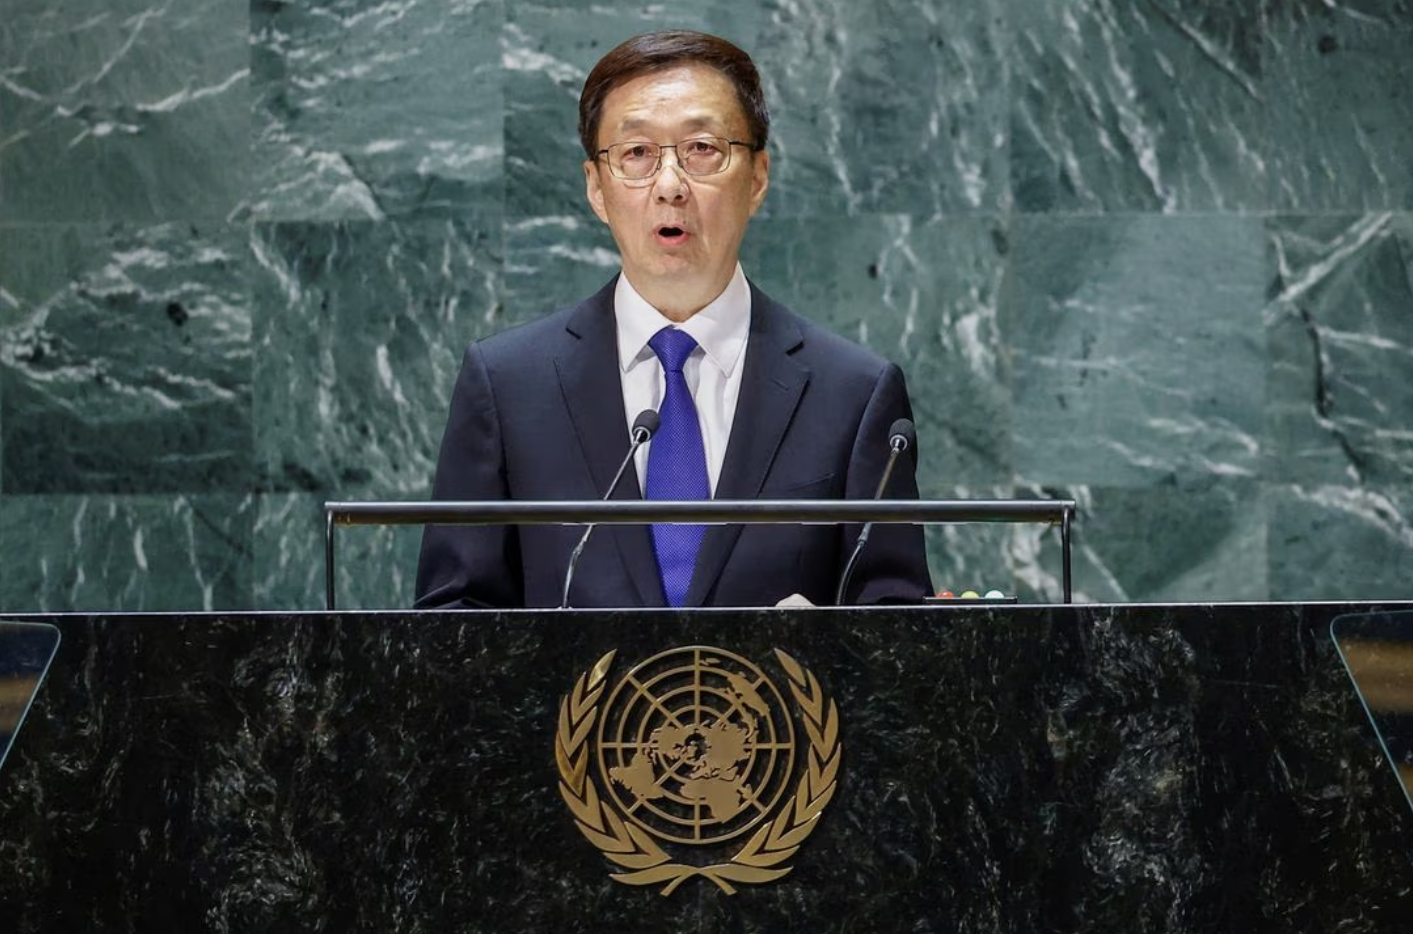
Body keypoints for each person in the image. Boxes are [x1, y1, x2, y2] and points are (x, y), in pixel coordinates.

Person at [415, 30, 931, 609]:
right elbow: (453, 629)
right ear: (596, 188)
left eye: (702, 149)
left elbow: (896, 640)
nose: (670, 186)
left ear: (758, 176)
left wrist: (828, 656)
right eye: (636, 154)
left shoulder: (853, 393)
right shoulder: (509, 385)